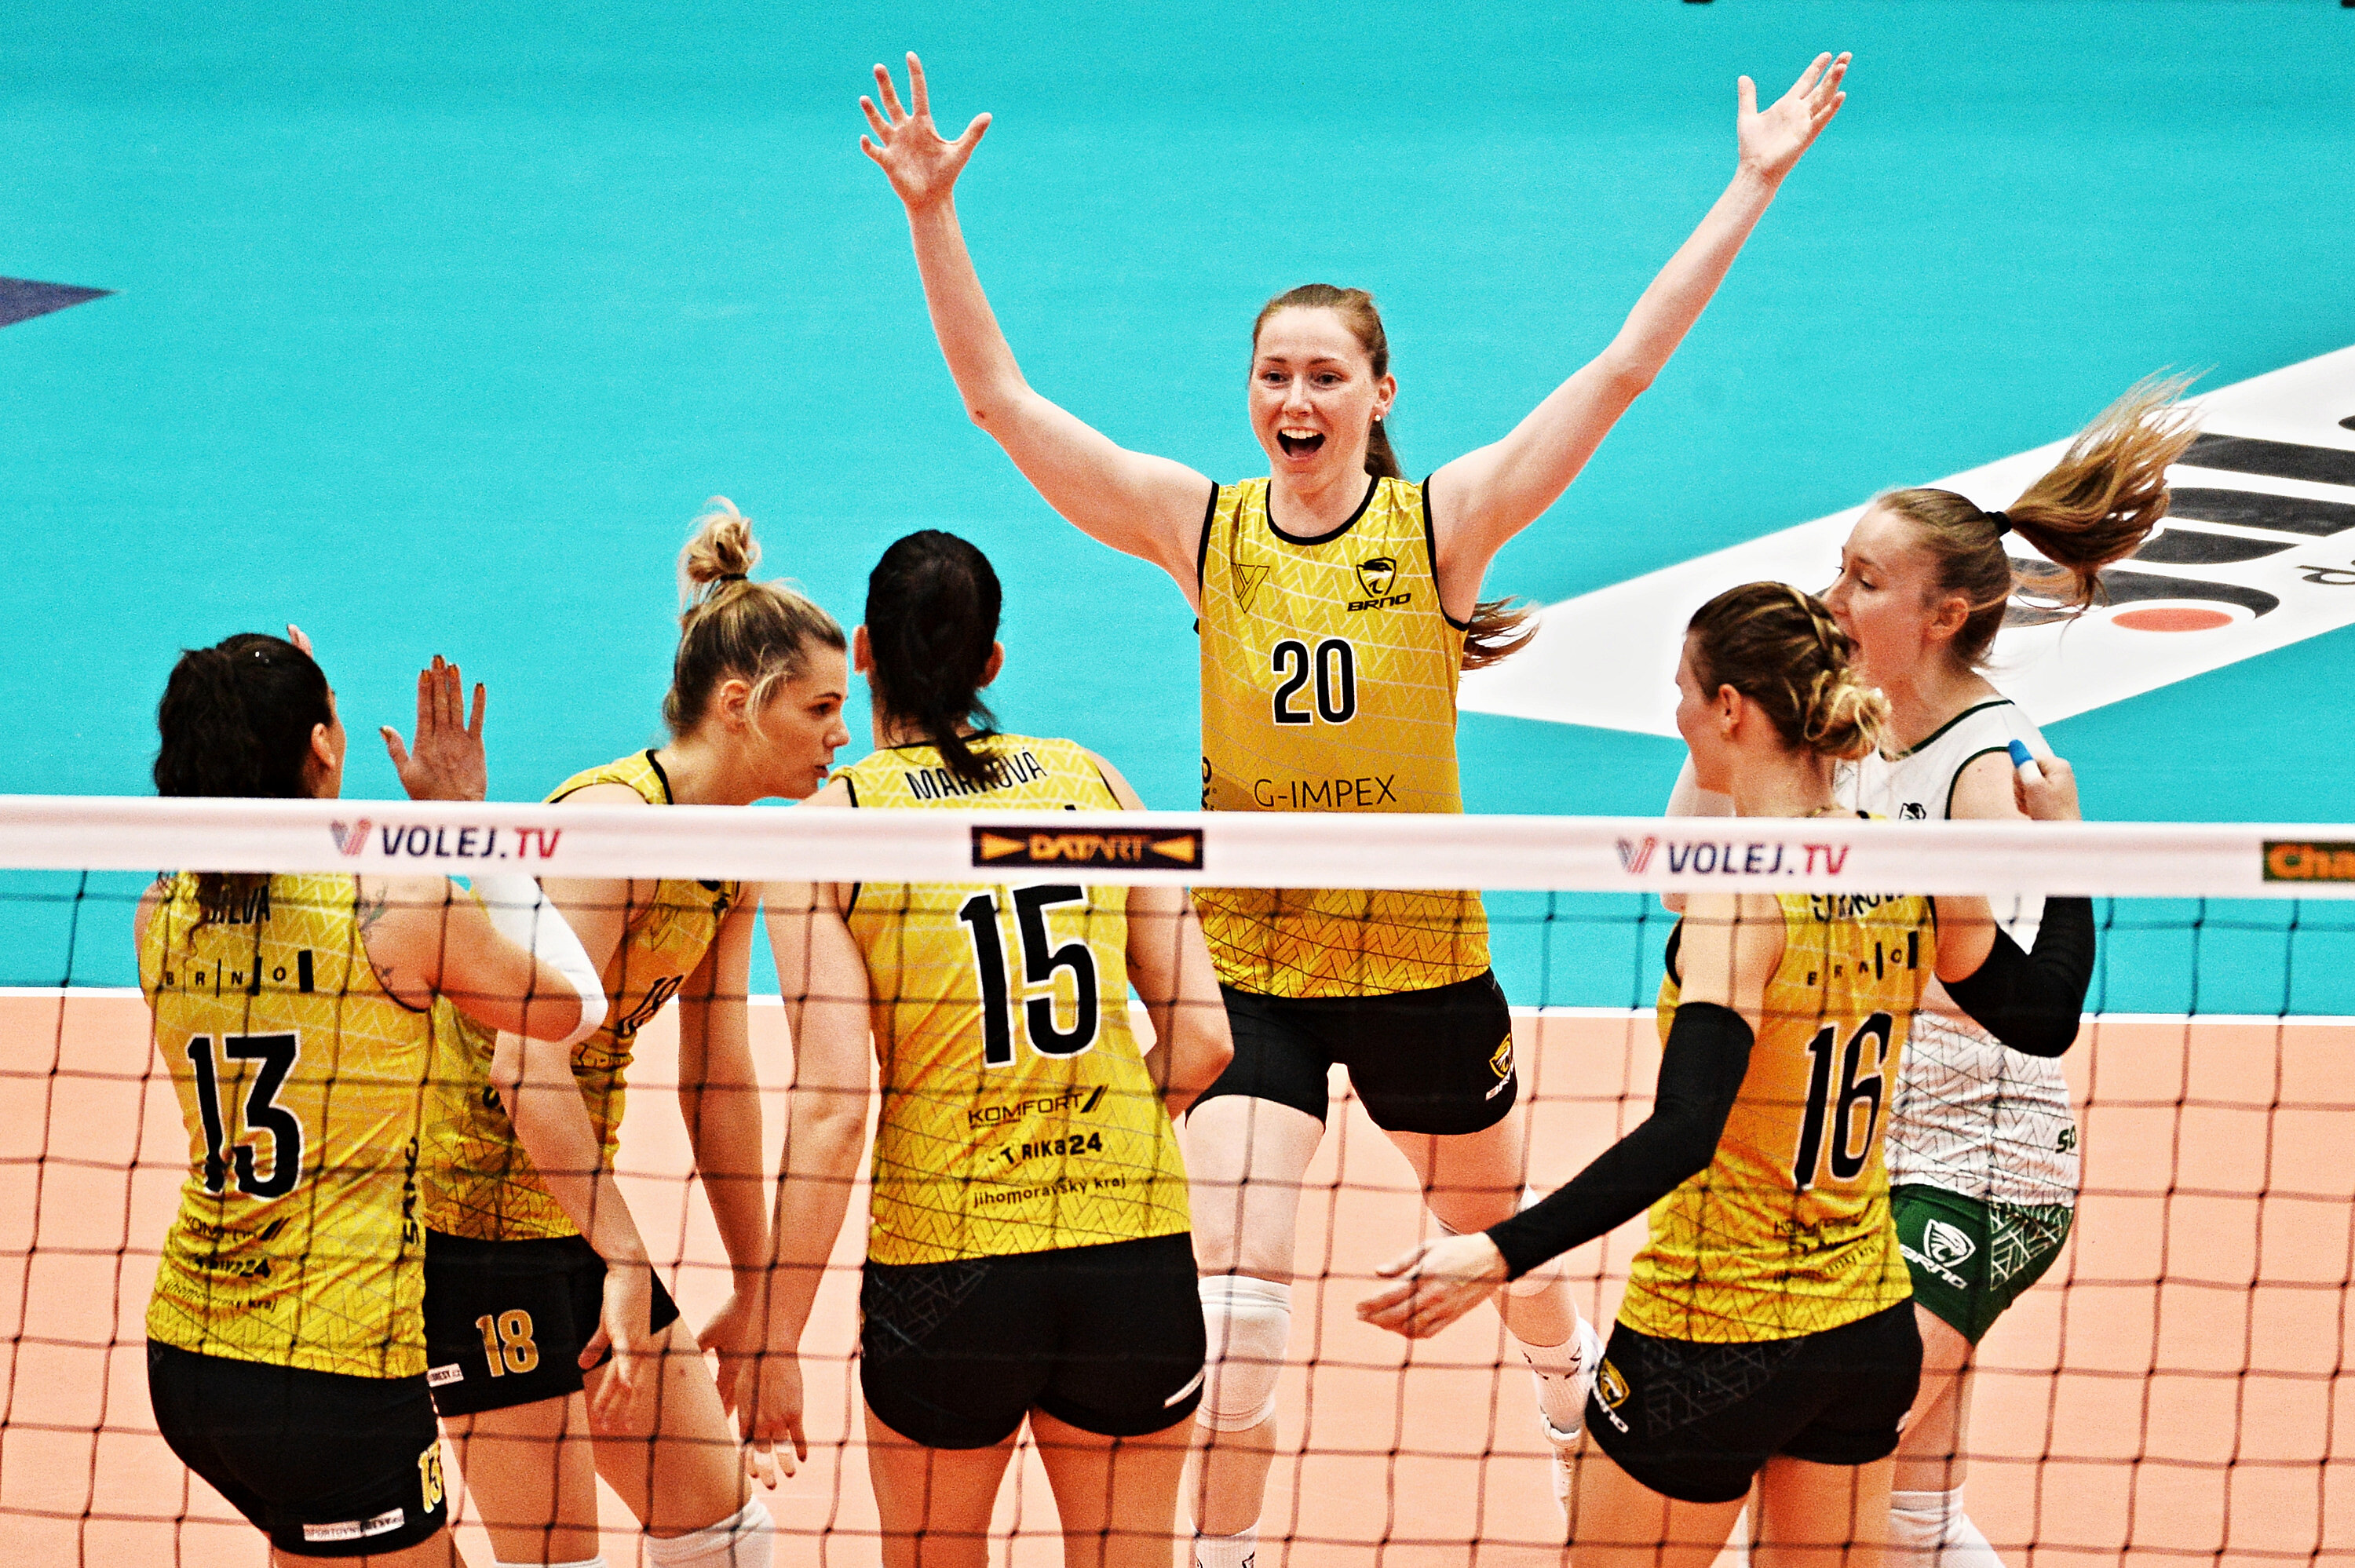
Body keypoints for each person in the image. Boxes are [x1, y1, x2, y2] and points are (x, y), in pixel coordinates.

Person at [856, 46, 1851, 1553]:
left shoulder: (1441, 526)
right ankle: (1227, 1548)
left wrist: (1750, 184)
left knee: (1513, 1259)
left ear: (1379, 394)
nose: (1296, 396)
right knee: (1237, 1321)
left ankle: (1564, 1387)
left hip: (1421, 972)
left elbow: (1621, 372)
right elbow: (1003, 402)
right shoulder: (1202, 529)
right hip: (1254, 971)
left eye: (1326, 374)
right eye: (1275, 374)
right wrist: (933, 213)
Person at [1356, 583, 2096, 1567]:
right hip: (1864, 1329)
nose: (1677, 713)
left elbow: (1685, 1131)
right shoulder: (1914, 865)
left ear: (1733, 709)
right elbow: (2044, 1016)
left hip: (1710, 1334)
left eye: (1684, 692)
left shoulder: (1742, 894)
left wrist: (1497, 1252)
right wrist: (2067, 845)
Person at [1669, 379, 2194, 1565]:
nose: (1831, 597)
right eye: (1838, 568)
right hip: (1853, 1147)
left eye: (1865, 580)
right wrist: (1720, 728)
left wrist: (2061, 854)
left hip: (1981, 1158)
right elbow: (1682, 876)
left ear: (1943, 614)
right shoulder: (1835, 721)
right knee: (1912, 1513)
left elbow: (2010, 995)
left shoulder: (1986, 766)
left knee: (1806, 1466)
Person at [749, 529, 1233, 1568]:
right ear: (993, 662)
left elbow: (833, 1108)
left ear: (864, 652)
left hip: (948, 1269)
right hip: (1129, 1248)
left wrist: (772, 1336)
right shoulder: (1096, 784)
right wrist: (1104, 1122)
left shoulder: (826, 828)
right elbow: (1202, 1040)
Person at [421, 500, 849, 1568]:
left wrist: (759, 1292)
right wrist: (622, 1252)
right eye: (822, 708)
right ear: (742, 705)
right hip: (470, 1233)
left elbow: (718, 1077)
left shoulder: (731, 850)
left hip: (573, 1216)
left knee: (726, 1538)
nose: (841, 736)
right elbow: (525, 1066)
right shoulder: (611, 827)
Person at [141, 632, 605, 1567]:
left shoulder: (164, 912)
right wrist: (463, 828)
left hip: (191, 1360)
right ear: (321, 745)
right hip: (334, 1373)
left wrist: (277, 713)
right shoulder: (399, 905)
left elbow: (272, 887)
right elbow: (572, 1009)